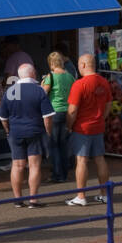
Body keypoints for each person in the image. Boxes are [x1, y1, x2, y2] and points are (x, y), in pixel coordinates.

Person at [0, 63, 54, 207]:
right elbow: (47, 117)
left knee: (17, 165)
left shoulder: (10, 91)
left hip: (15, 132)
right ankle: (33, 199)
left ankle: (18, 200)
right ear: (33, 73)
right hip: (35, 131)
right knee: (34, 166)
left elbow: (3, 117)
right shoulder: (39, 91)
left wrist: (8, 130)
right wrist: (48, 132)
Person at [66, 53, 112, 206]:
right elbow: (108, 105)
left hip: (82, 128)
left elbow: (72, 111)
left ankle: (81, 196)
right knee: (100, 158)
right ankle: (104, 194)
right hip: (98, 126)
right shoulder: (104, 82)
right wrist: (101, 118)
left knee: (81, 160)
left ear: (83, 65)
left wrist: (69, 126)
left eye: (79, 65)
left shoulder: (79, 84)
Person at [40, 52, 76, 185]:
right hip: (67, 112)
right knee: (63, 144)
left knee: (54, 144)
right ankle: (65, 173)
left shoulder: (51, 77)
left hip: (54, 112)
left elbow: (42, 93)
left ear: (51, 63)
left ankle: (57, 174)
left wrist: (42, 82)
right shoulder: (70, 77)